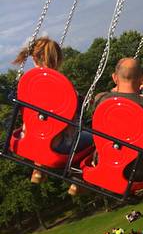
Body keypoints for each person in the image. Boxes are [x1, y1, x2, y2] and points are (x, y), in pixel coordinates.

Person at [77, 58, 143, 205]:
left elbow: (107, 101)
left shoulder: (101, 99)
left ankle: (79, 180)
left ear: (115, 78)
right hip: (137, 172)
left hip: (102, 163)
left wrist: (114, 93)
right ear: (142, 79)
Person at [12, 37, 93, 184]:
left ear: (34, 59)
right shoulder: (66, 88)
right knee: (93, 139)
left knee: (41, 127)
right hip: (57, 147)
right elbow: (75, 115)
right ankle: (77, 179)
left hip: (27, 139)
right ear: (59, 59)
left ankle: (38, 169)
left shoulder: (26, 83)